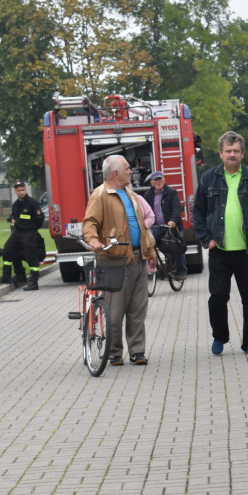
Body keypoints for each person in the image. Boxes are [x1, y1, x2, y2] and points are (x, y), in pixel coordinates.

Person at [192, 131, 248, 356]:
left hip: (247, 249)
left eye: (236, 151)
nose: (232, 155)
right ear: (220, 153)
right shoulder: (209, 178)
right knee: (218, 296)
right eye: (228, 151)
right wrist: (205, 240)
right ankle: (219, 336)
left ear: (242, 153)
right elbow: (198, 212)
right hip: (219, 249)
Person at [83, 155, 156, 365]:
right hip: (115, 260)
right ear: (115, 173)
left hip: (138, 257)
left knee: (138, 308)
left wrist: (150, 252)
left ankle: (137, 351)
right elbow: (90, 222)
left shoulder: (130, 194)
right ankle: (114, 352)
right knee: (115, 310)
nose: (131, 171)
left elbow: (141, 227)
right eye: (127, 168)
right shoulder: (100, 195)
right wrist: (93, 240)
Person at [0, 181, 45, 291]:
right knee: (7, 251)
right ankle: (6, 277)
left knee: (31, 257)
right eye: (18, 190)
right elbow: (15, 218)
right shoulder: (16, 204)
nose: (21, 192)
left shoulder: (32, 203)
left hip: (29, 233)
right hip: (17, 232)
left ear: (25, 190)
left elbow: (39, 219)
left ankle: (34, 282)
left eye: (23, 190)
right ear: (15, 191)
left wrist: (32, 229)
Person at [142, 171, 187, 279]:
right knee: (149, 245)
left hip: (171, 227)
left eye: (160, 179)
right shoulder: (148, 194)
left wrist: (172, 221)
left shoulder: (171, 192)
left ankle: (182, 272)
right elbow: (144, 210)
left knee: (178, 247)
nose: (158, 182)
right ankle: (157, 267)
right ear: (152, 182)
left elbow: (176, 208)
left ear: (164, 180)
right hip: (156, 227)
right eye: (156, 180)